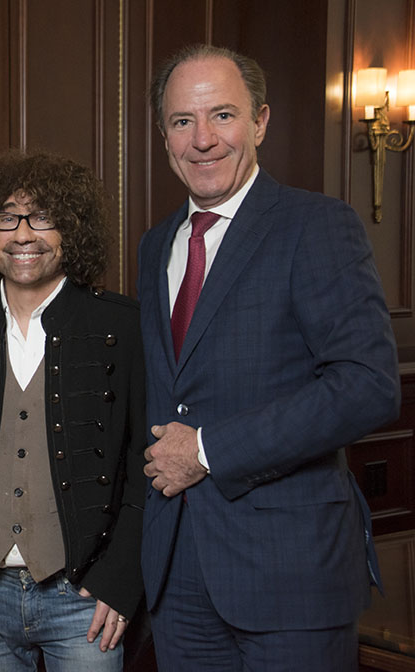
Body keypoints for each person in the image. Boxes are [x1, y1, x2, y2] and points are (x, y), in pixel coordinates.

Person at [138, 44, 400, 671]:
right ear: (164, 135)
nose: (203, 139)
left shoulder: (317, 226)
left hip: (291, 574)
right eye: (182, 122)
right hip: (177, 577)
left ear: (259, 122)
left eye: (223, 116)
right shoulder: (156, 246)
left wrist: (208, 450)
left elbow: (368, 385)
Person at [0, 151, 146, 672]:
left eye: (42, 217)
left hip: (85, 603)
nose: (24, 234)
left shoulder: (122, 327)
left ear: (72, 229)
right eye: (7, 217)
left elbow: (142, 467)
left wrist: (119, 580)